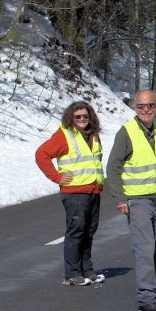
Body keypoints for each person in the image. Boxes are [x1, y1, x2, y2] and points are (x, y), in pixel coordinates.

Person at [106, 90, 156, 311]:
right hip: (137, 201)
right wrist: (120, 199)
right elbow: (113, 168)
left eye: (150, 106)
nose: (145, 110)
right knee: (145, 250)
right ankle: (146, 301)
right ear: (135, 108)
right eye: (141, 106)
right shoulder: (126, 133)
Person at [35, 101, 105, 286]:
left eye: (85, 116)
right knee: (76, 232)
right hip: (75, 193)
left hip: (93, 190)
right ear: (71, 118)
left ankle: (87, 270)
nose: (82, 119)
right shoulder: (64, 135)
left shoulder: (94, 136)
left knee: (89, 231)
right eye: (78, 117)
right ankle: (73, 274)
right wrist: (56, 177)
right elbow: (41, 154)